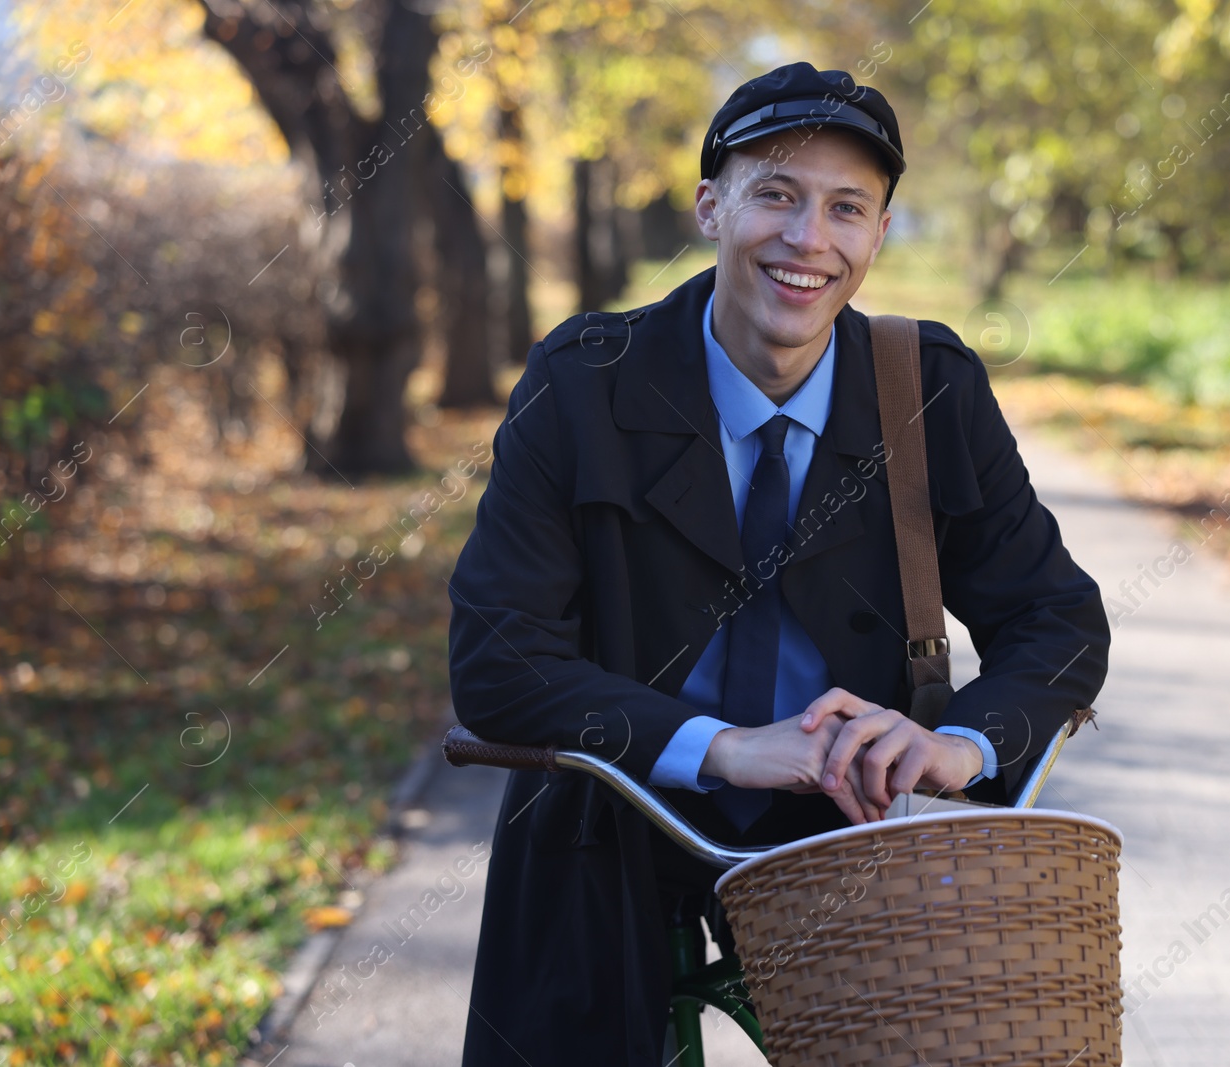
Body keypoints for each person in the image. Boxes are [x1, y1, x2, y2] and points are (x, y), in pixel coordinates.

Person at [447, 61, 1110, 1067]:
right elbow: (498, 660)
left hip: (856, 828)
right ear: (712, 205)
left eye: (848, 208)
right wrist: (720, 743)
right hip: (615, 812)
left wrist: (958, 746)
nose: (809, 240)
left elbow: (1056, 620)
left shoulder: (929, 385)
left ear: (879, 233)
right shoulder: (582, 381)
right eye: (777, 195)